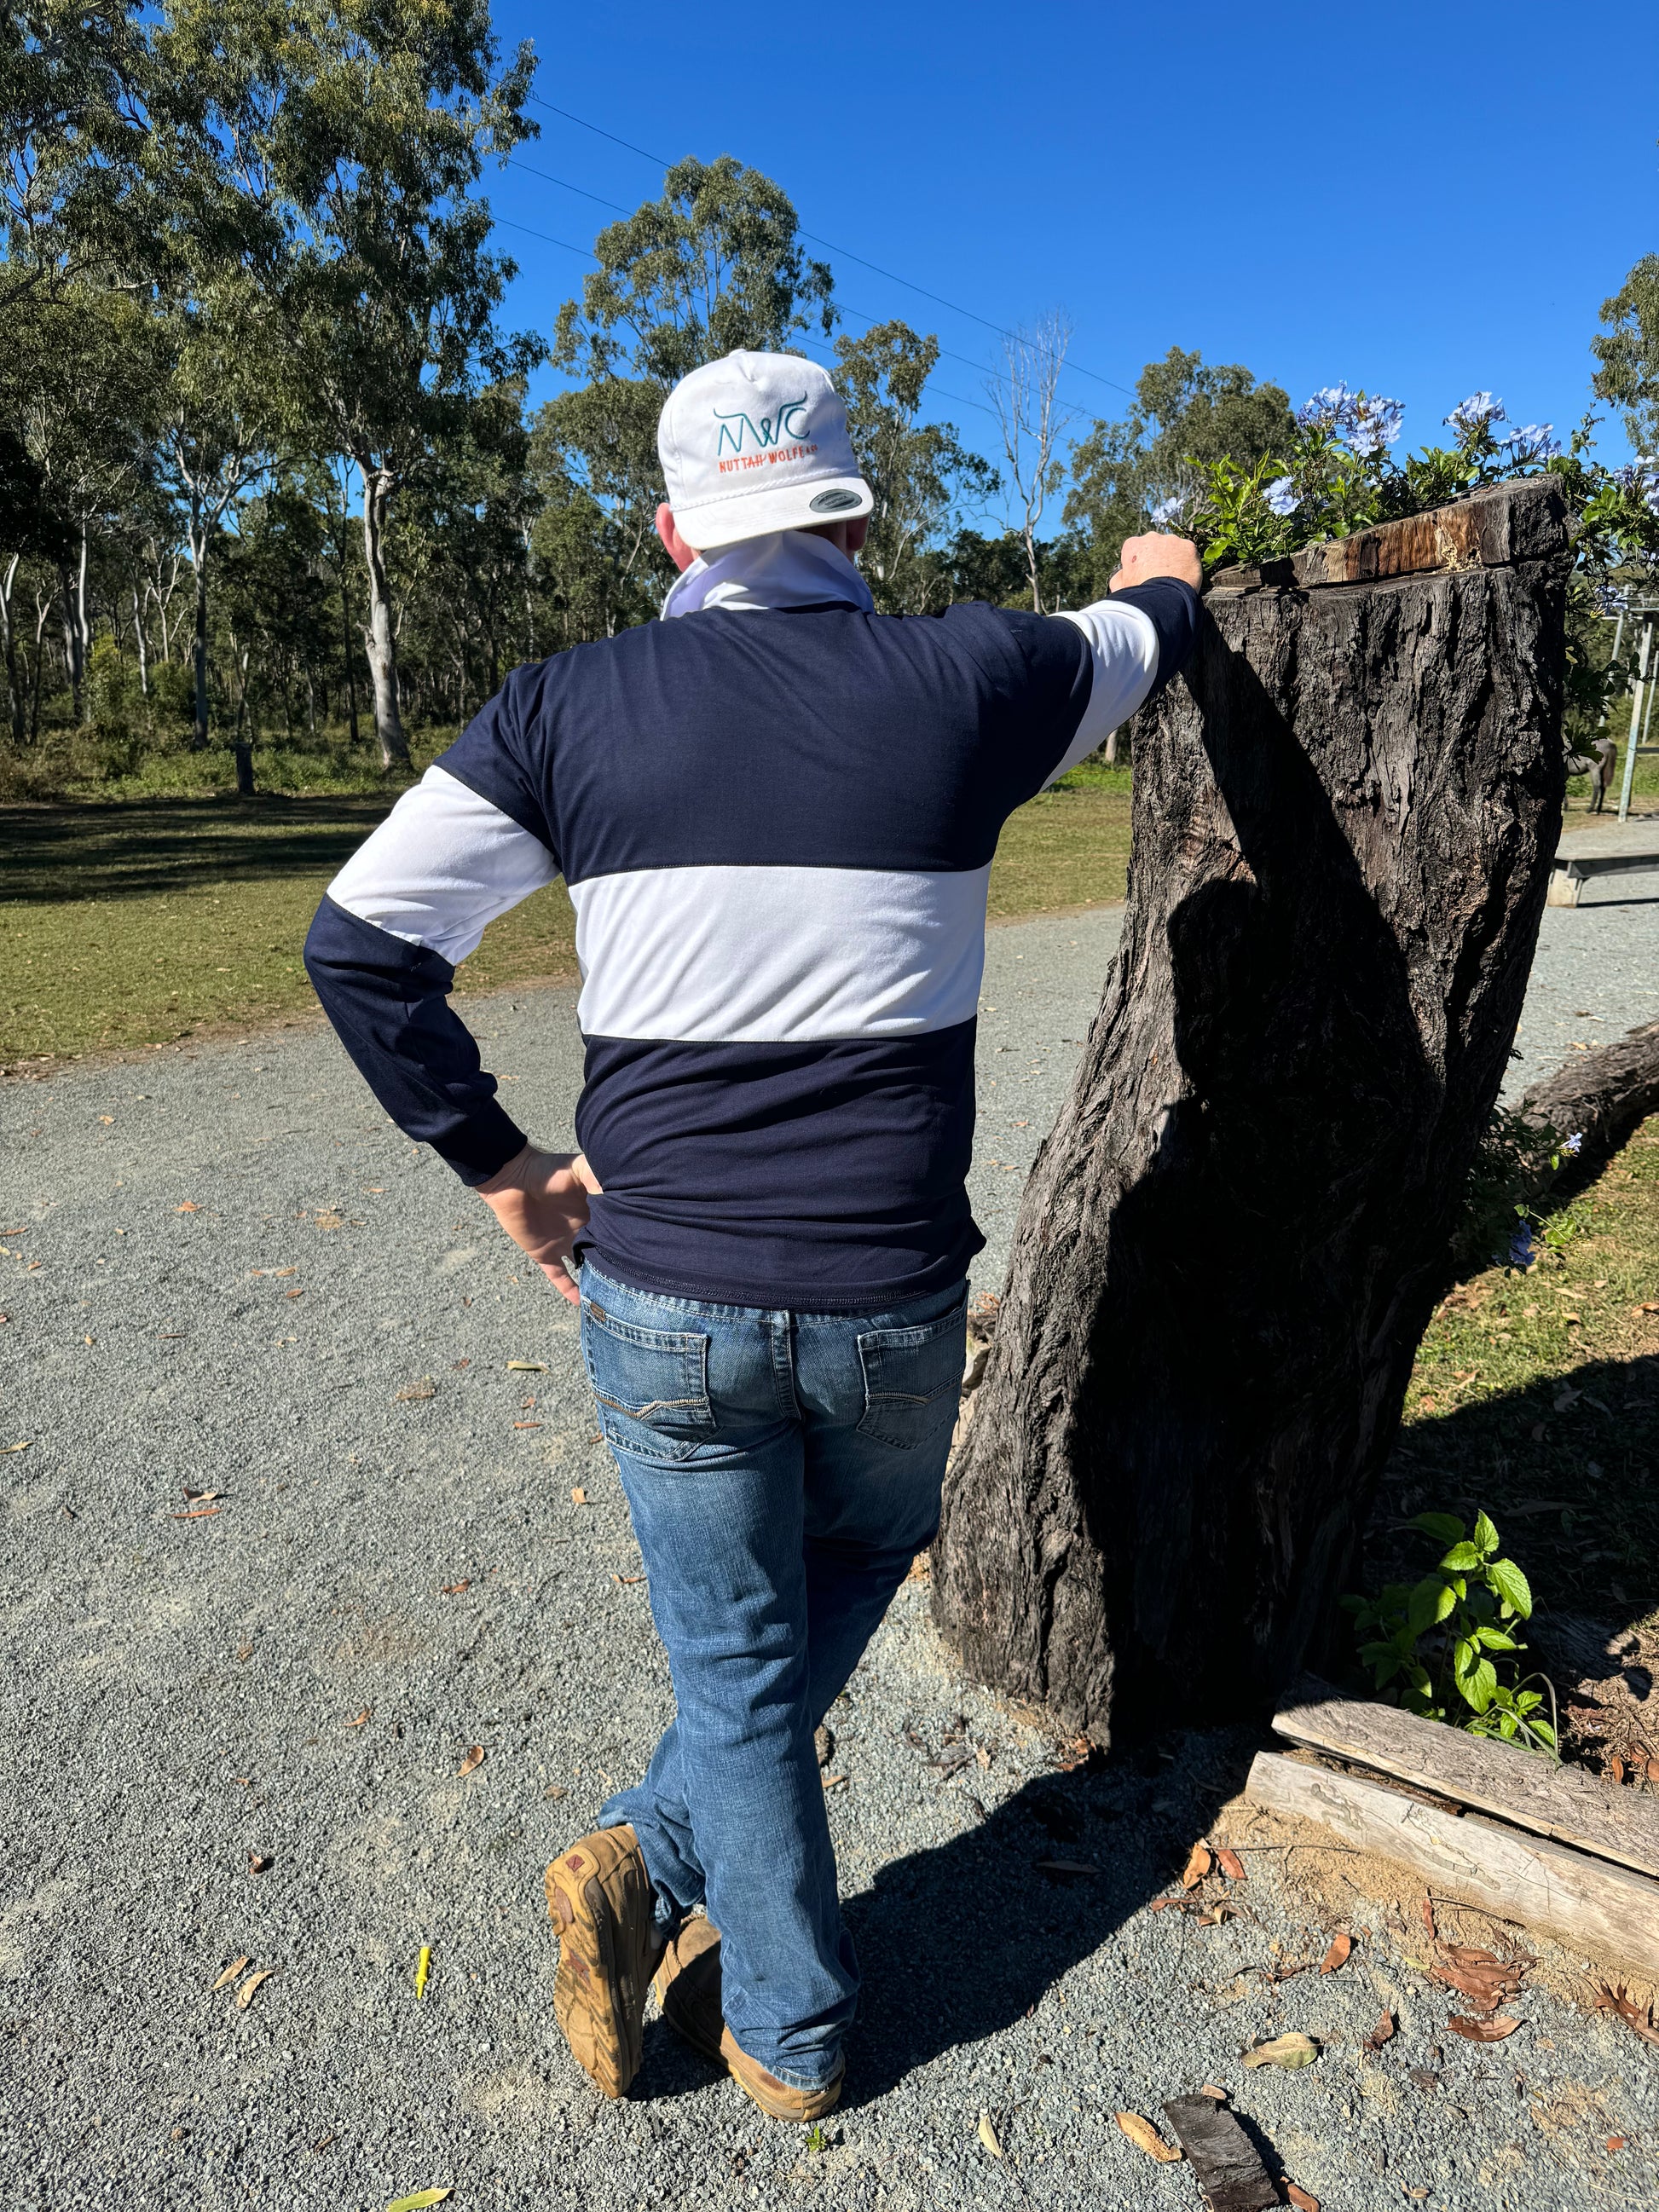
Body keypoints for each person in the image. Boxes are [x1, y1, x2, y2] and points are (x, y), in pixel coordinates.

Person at [303, 348, 1201, 2121]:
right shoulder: (983, 674)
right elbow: (1147, 626)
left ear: (673, 532)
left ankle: (670, 1878)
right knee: (859, 1556)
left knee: (736, 1662)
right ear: (857, 517)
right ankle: (772, 2010)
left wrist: (503, 1165)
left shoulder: (564, 707)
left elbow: (360, 946)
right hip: (885, 1291)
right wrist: (1163, 559)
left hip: (657, 1291)